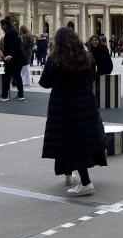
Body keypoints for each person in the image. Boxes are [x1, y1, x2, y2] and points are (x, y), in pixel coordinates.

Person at [39, 27, 107, 197]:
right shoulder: (86, 57)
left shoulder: (55, 58)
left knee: (68, 141)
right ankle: (68, 174)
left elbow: (45, 82)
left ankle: (86, 183)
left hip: (63, 106)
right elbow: (92, 76)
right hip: (85, 103)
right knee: (81, 141)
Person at [0, 16, 26, 102]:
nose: (1, 28)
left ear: (5, 25)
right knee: (16, 76)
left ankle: (5, 96)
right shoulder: (13, 31)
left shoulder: (11, 32)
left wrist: (10, 55)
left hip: (14, 59)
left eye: (1, 26)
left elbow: (15, 45)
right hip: (16, 58)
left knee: (8, 76)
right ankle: (20, 95)